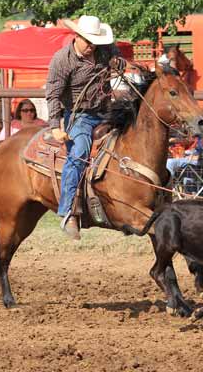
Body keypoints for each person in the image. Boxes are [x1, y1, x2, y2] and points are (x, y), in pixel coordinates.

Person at [46, 15, 125, 240]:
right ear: (77, 37)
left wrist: (118, 62)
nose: (93, 46)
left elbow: (118, 56)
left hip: (107, 111)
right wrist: (55, 126)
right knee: (78, 154)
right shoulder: (63, 60)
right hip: (80, 116)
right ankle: (68, 210)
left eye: (95, 42)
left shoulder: (104, 48)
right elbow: (52, 94)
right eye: (89, 41)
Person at [166, 102, 203, 175]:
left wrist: (198, 157)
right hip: (194, 162)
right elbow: (196, 149)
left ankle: (167, 185)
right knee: (170, 160)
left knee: (170, 163)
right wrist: (185, 153)